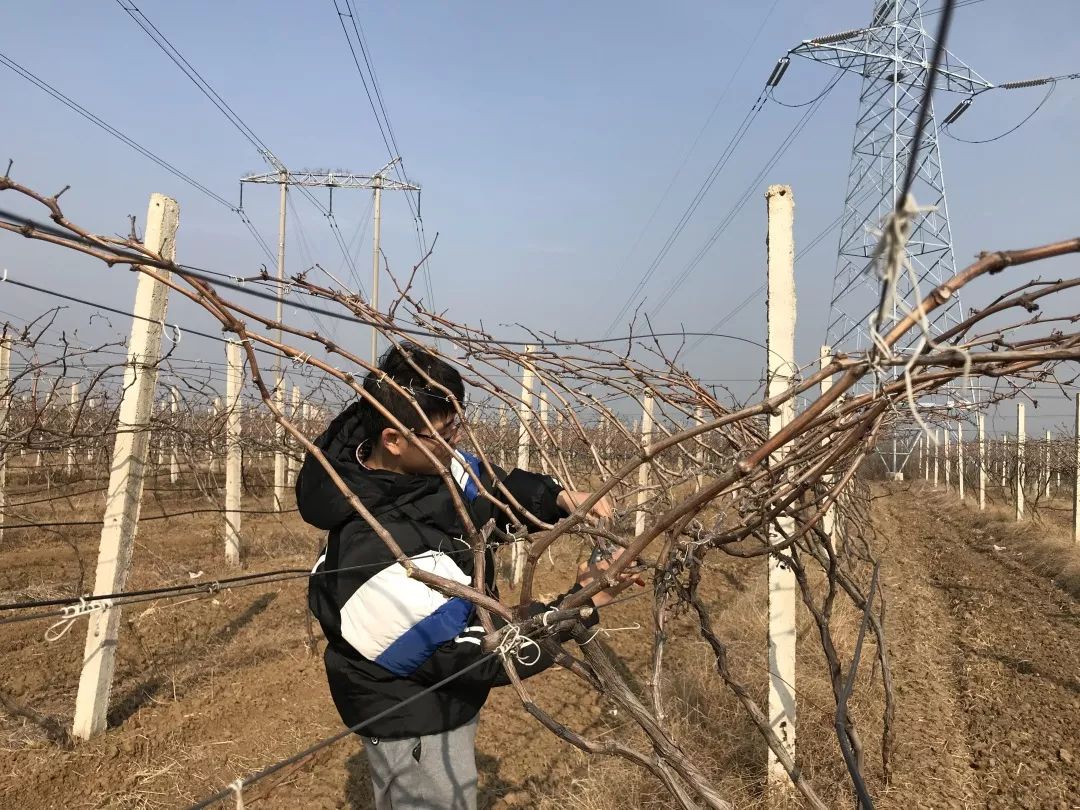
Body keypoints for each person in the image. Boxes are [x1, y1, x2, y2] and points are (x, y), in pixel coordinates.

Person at [297, 342, 633, 810]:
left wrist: (558, 498)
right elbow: (485, 656)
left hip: (440, 694)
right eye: (446, 429)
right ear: (394, 439)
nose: (456, 438)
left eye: (458, 422)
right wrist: (582, 603)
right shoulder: (372, 552)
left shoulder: (431, 462)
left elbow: (489, 486)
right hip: (412, 718)